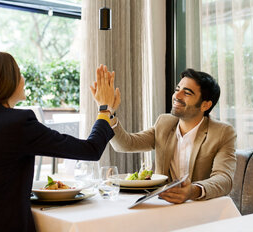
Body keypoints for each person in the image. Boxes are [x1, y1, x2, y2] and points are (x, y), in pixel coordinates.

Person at [0, 52, 118, 232]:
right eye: (18, 73)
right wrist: (104, 109)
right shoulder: (17, 123)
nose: (22, 79)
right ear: (5, 81)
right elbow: (90, 150)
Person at [96, 68, 236, 204]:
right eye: (177, 90)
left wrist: (192, 191)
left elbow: (224, 178)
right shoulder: (165, 123)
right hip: (163, 205)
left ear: (205, 105)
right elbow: (126, 144)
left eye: (187, 93)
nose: (177, 96)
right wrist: (110, 113)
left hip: (199, 208)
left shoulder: (222, 132)